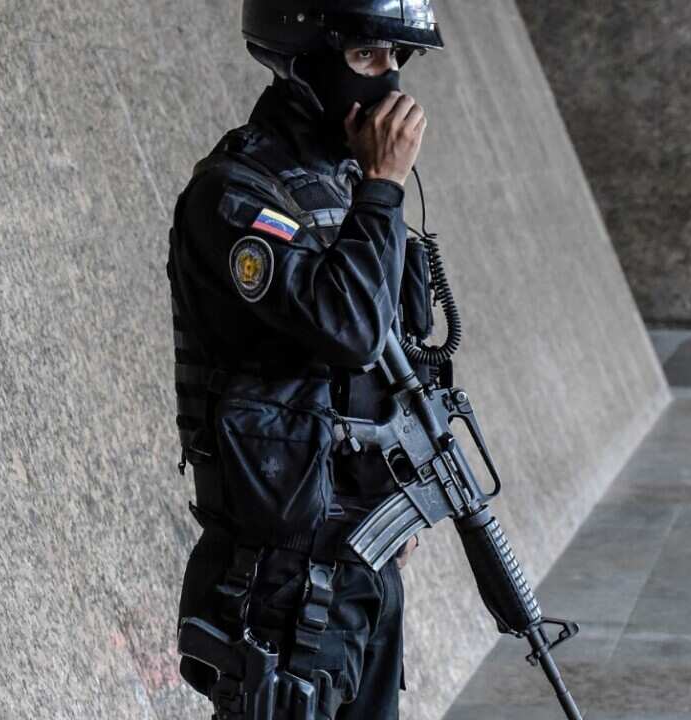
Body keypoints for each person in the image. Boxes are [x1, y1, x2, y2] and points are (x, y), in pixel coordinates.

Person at [166, 2, 444, 718]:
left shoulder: (344, 188)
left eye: (395, 58)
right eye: (366, 57)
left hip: (358, 566)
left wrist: (397, 495)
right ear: (303, 56)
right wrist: (383, 189)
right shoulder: (237, 196)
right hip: (283, 585)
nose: (389, 87)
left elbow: (384, 364)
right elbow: (347, 330)